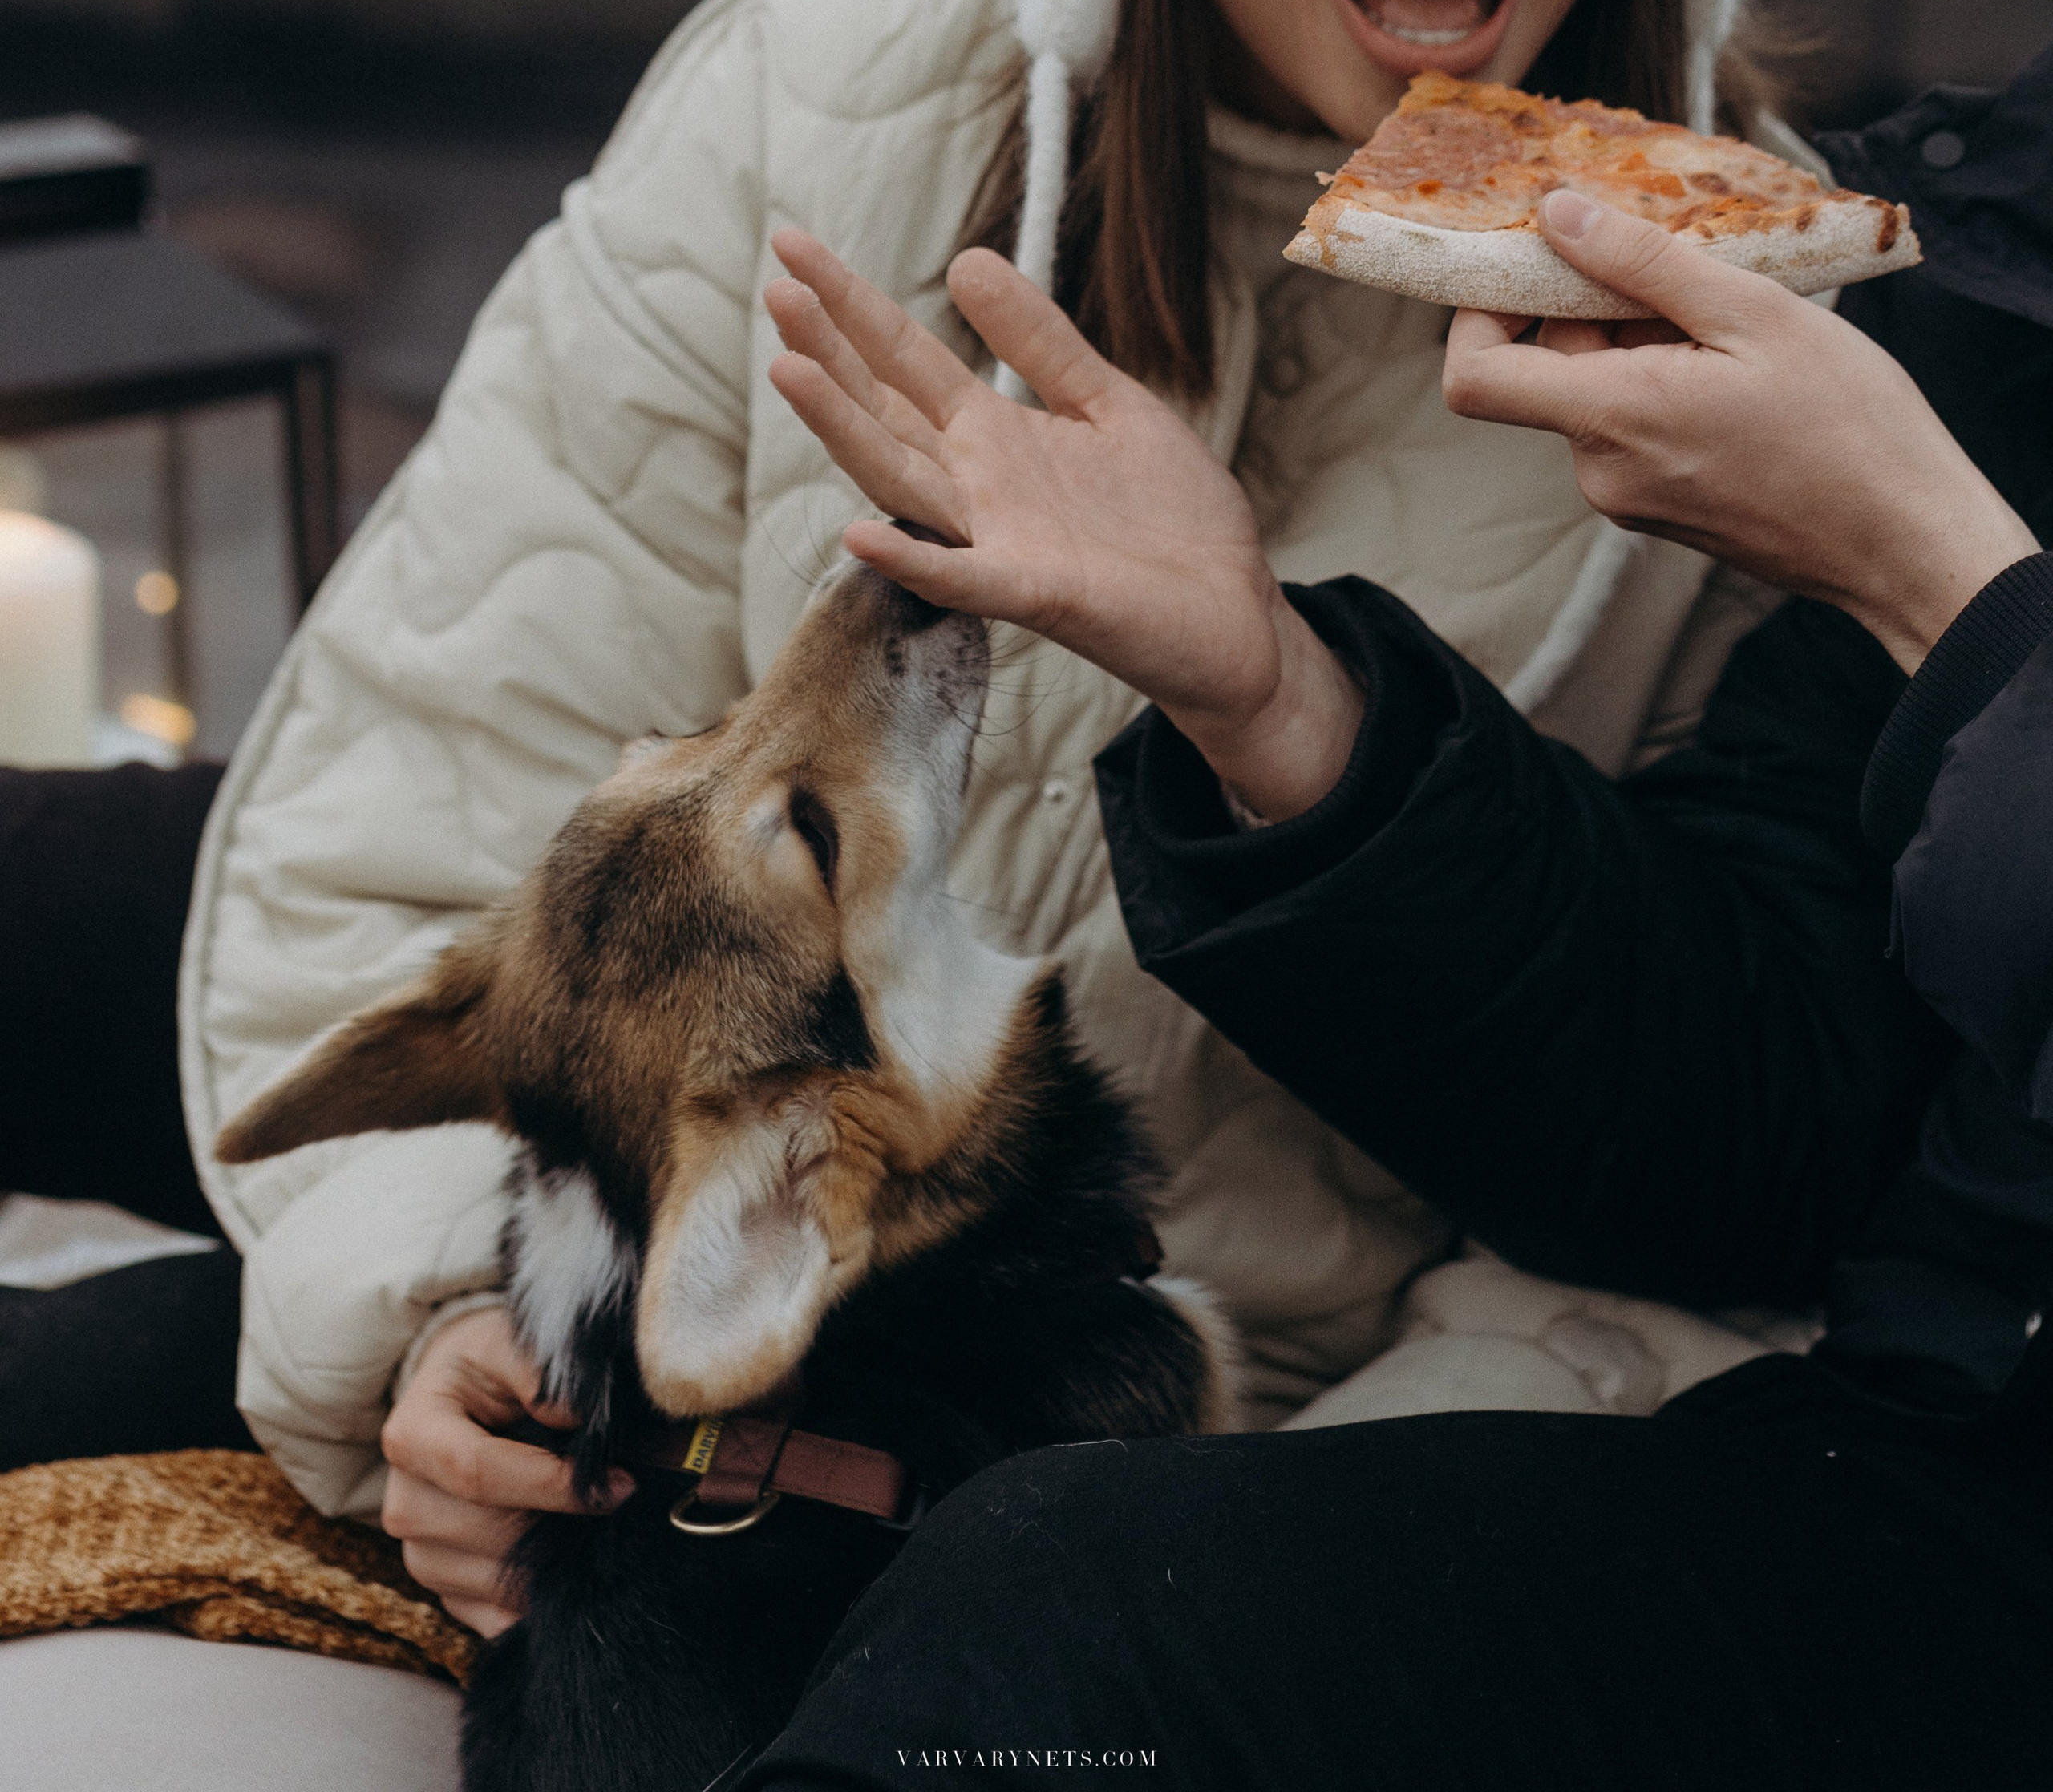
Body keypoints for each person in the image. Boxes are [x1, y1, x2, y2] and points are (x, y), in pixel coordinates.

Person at [170, 0, 1829, 1626]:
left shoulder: (1748, 341)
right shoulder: (813, 107)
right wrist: (456, 1320)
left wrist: (1168, 1577)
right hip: (698, 1424)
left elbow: (1719, 1213)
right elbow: (409, 829)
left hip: (1238, 1524)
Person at [734, 94, 2053, 1789]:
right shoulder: (2003, 264)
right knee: (1064, 1608)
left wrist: (1936, 587)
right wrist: (1278, 699)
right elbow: (1773, 1118)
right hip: (1936, 1474)